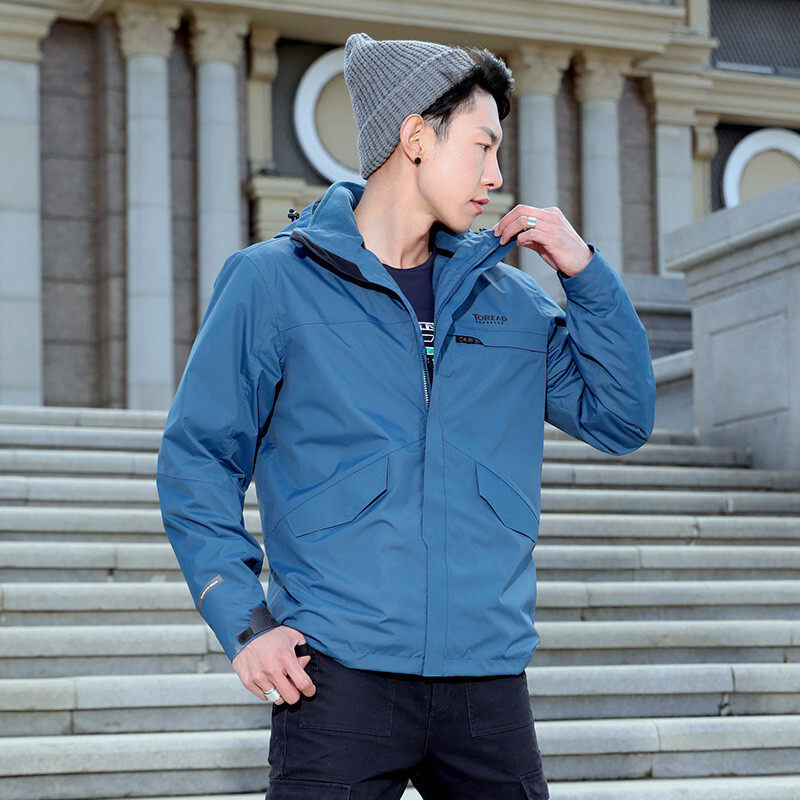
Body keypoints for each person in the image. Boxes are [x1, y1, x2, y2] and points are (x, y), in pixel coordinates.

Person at [156, 31, 656, 800]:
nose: (496, 176)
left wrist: (586, 275)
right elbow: (198, 459)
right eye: (482, 146)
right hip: (339, 680)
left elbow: (621, 418)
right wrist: (246, 624)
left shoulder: (513, 305)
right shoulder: (272, 284)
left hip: (486, 683)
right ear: (416, 137)